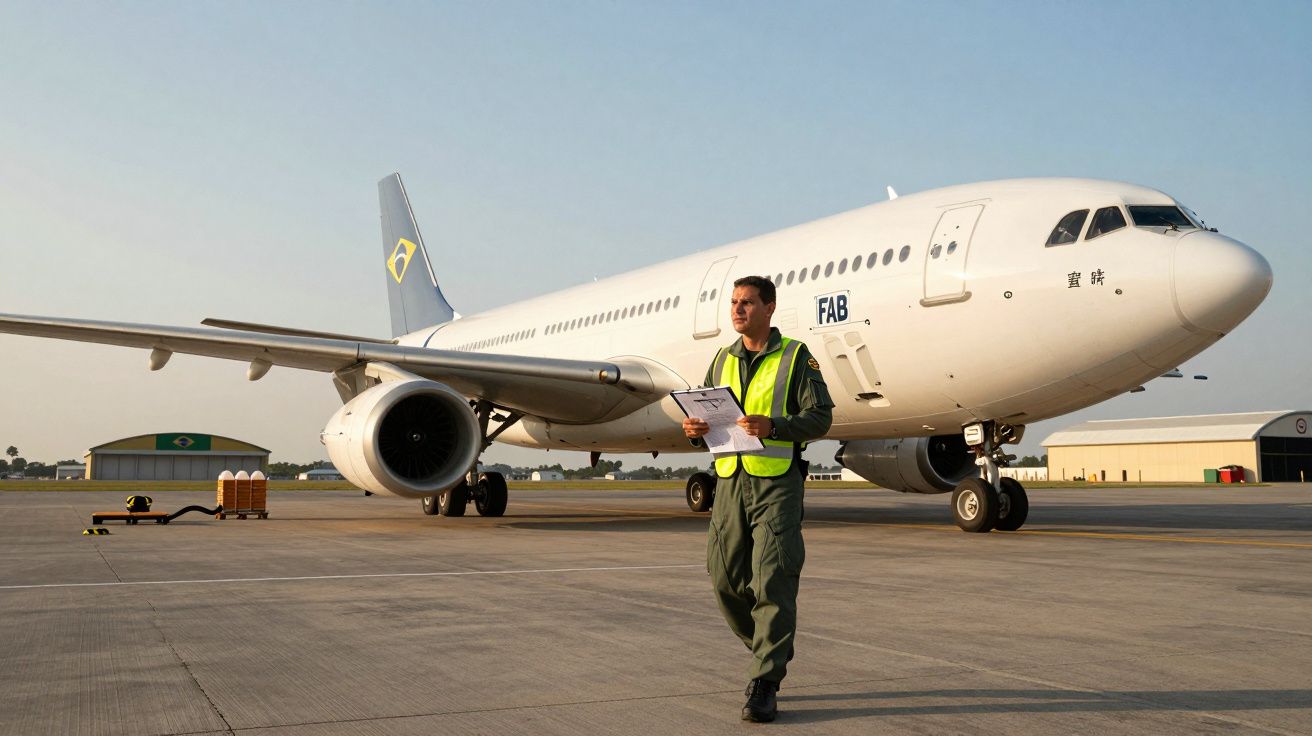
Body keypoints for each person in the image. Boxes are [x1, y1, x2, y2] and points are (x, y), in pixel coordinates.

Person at [682, 275, 833, 722]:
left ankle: (765, 679)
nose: (737, 310)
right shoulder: (722, 359)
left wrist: (776, 427)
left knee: (772, 579)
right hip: (729, 480)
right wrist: (694, 432)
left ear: (769, 307)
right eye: (733, 302)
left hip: (775, 481)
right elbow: (708, 414)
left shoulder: (795, 357)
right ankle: (770, 645)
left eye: (747, 302)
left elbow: (820, 417)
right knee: (724, 579)